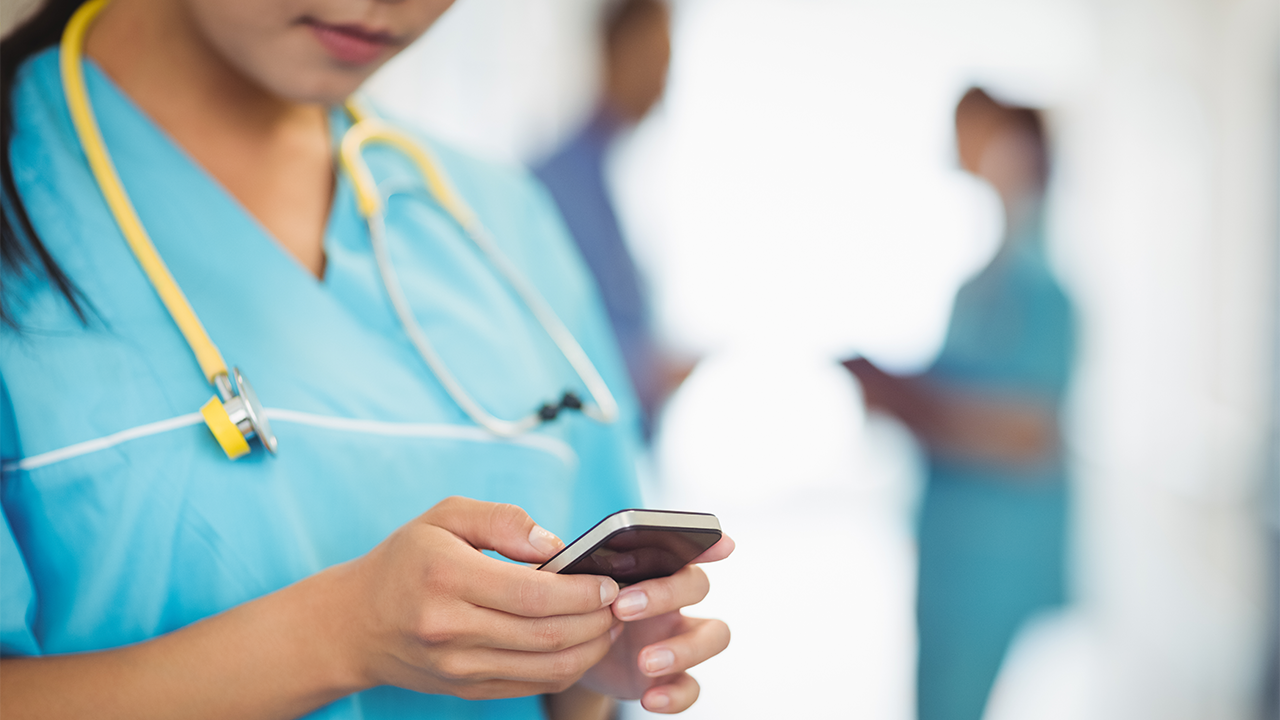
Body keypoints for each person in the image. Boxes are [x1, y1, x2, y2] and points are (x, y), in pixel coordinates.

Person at [0, 1, 733, 719]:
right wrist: (335, 637)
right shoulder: (29, 192)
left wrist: (574, 658)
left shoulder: (498, 221)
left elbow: (565, 694)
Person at [844, 88, 1076, 720]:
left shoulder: (1041, 293)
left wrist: (913, 403)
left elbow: (1025, 433)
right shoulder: (977, 287)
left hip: (990, 562)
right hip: (952, 555)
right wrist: (894, 391)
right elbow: (953, 391)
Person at [533, 0, 692, 438]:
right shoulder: (555, 186)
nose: (662, 85)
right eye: (656, 61)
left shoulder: (614, 179)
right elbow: (556, 341)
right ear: (614, 50)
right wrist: (652, 370)